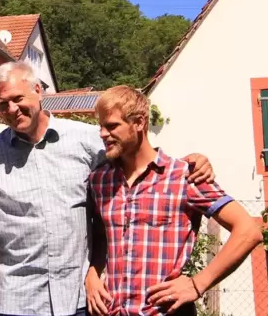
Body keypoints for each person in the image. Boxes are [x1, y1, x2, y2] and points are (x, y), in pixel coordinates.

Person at [0, 61, 215, 316]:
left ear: (38, 91)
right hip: (18, 302)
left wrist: (192, 160)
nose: (11, 109)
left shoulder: (86, 140)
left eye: (18, 99)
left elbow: (139, 158)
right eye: (2, 103)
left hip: (78, 297)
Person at [85, 86, 262, 316]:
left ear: (139, 123)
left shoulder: (184, 176)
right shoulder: (101, 181)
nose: (103, 134)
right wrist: (93, 272)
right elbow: (101, 236)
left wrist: (198, 283)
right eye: (101, 127)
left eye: (111, 126)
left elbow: (248, 230)